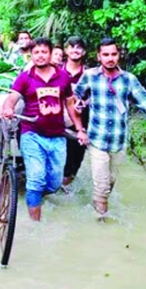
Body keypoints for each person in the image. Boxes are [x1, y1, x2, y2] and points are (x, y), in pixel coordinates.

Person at [72, 38, 146, 219]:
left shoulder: (128, 79)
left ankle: (98, 203)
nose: (110, 58)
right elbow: (75, 95)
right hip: (97, 140)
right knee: (102, 186)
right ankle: (101, 220)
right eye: (105, 55)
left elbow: (143, 99)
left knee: (110, 182)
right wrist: (79, 104)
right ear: (99, 56)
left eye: (113, 54)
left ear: (119, 56)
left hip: (119, 142)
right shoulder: (90, 76)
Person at [2, 37, 81, 221]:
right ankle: (35, 225)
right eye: (36, 52)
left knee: (54, 183)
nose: (40, 56)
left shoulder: (63, 77)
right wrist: (8, 108)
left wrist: (80, 129)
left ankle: (35, 197)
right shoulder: (25, 77)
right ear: (31, 55)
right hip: (32, 134)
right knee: (36, 179)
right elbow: (12, 98)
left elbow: (70, 103)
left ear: (51, 53)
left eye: (44, 52)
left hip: (57, 136)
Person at [61, 36, 88, 187]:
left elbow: (95, 94)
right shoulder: (57, 71)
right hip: (58, 119)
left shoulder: (89, 74)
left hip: (81, 120)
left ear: (83, 52)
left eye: (79, 47)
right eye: (72, 47)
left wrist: (84, 103)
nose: (75, 50)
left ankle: (67, 183)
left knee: (76, 157)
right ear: (66, 50)